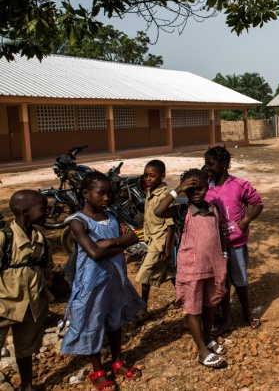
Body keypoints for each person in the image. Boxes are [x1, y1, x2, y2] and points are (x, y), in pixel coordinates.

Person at [60, 172, 145, 391]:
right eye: (101, 193)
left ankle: (117, 361)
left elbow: (134, 237)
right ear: (85, 193)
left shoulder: (112, 216)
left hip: (115, 280)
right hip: (91, 283)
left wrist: (112, 241)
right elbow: (95, 254)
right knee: (92, 323)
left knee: (114, 321)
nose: (107, 197)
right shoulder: (78, 222)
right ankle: (97, 370)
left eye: (110, 193)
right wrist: (120, 243)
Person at [154, 168, 228, 368]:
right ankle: (202, 351)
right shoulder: (182, 210)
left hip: (213, 265)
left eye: (200, 187)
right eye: (190, 189)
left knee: (210, 304)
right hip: (191, 268)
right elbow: (158, 211)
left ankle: (207, 338)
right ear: (185, 191)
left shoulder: (213, 209)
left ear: (207, 187)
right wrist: (176, 190)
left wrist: (225, 257)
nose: (196, 192)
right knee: (194, 308)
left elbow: (220, 235)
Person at [203, 146, 264, 335]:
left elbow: (258, 204)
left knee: (240, 280)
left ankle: (247, 312)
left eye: (211, 164)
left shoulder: (239, 185)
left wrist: (245, 221)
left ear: (225, 165)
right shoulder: (206, 187)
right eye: (206, 163)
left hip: (236, 244)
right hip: (215, 245)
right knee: (222, 282)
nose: (207, 167)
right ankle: (227, 317)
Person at [0, 190, 53, 391]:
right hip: (4, 306)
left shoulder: (40, 239)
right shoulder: (4, 238)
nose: (47, 213)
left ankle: (27, 386)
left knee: (25, 349)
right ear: (25, 212)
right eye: (43, 209)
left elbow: (47, 268)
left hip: (31, 307)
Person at [135, 159, 176, 320]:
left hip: (160, 241)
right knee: (172, 273)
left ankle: (142, 308)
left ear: (162, 176)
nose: (148, 179)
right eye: (146, 176)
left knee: (145, 274)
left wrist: (167, 247)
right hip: (152, 239)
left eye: (152, 176)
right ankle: (184, 298)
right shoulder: (150, 192)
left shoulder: (164, 195)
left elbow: (170, 224)